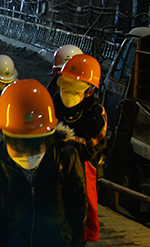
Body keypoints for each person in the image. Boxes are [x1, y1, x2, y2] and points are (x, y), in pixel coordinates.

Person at [0, 79, 87, 247]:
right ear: (5, 136)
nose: (28, 156)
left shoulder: (65, 157)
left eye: (36, 147)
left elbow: (77, 209)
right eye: (19, 148)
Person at [53, 54, 107, 243]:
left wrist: (64, 139)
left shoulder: (96, 114)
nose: (68, 93)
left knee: (78, 219)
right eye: (65, 86)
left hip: (81, 172)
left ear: (90, 90)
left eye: (75, 89)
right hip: (54, 169)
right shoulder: (55, 102)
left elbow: (92, 146)